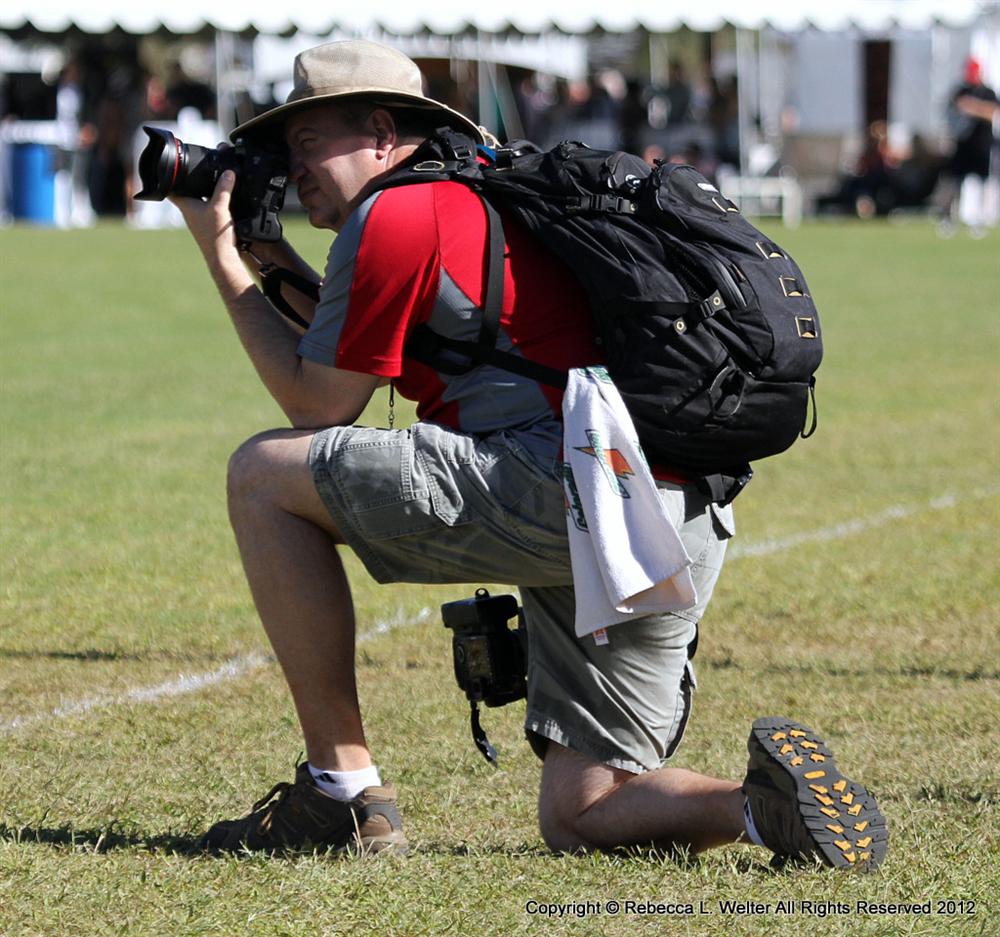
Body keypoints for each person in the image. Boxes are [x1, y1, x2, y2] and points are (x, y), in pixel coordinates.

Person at [173, 39, 886, 868]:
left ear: (378, 131)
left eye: (304, 145)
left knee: (263, 476)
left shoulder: (394, 216)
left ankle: (341, 791)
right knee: (584, 810)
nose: (292, 170)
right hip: (668, 509)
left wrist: (221, 256)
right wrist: (266, 250)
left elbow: (315, 401)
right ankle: (765, 808)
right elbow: (346, 332)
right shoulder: (487, 188)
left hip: (562, 489)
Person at [940, 57, 999, 236]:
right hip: (963, 145)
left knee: (982, 182)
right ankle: (948, 219)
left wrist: (975, 108)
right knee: (954, 182)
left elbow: (994, 113)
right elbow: (948, 112)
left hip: (982, 145)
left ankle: (980, 219)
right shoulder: (960, 91)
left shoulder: (987, 92)